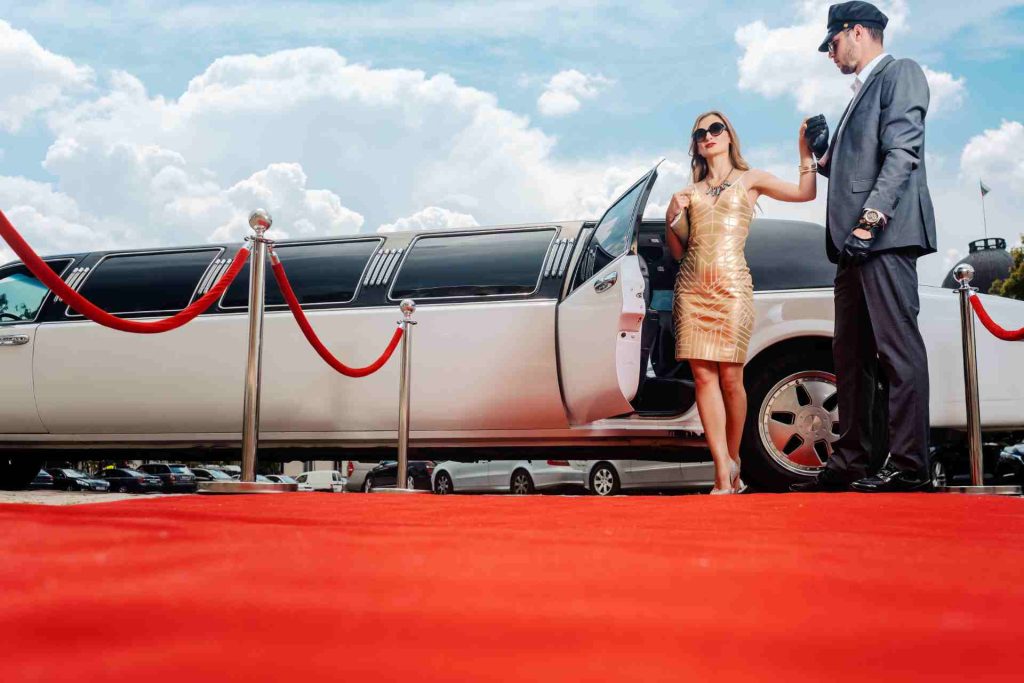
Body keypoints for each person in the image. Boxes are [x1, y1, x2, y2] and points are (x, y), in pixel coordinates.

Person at [792, 1, 936, 493]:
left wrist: (870, 224)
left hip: (883, 237)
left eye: (832, 43)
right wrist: (823, 152)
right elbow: (857, 169)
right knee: (849, 355)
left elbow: (902, 154)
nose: (830, 53)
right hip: (852, 246)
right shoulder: (858, 93)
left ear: (857, 32)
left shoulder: (900, 74)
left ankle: (910, 465)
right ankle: (851, 461)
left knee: (898, 352)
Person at [665, 110, 817, 494]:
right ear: (696, 145)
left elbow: (805, 194)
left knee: (732, 378)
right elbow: (678, 253)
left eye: (715, 129)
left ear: (729, 136)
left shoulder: (751, 180)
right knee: (703, 377)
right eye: (700, 133)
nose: (708, 136)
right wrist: (673, 215)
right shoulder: (690, 192)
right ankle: (720, 470)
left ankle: (734, 460)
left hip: (732, 289)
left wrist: (805, 153)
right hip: (693, 289)